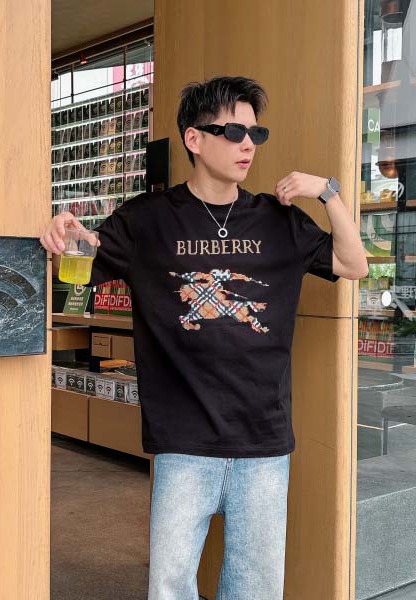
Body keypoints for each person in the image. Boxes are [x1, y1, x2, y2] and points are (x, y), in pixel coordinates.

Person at [41, 76, 368, 600]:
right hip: (182, 442)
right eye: (233, 131)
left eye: (255, 134)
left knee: (256, 589)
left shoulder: (278, 220)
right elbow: (72, 266)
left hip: (263, 442)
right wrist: (59, 236)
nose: (247, 144)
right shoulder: (147, 220)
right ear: (194, 138)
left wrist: (327, 192)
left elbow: (354, 264)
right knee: (170, 588)